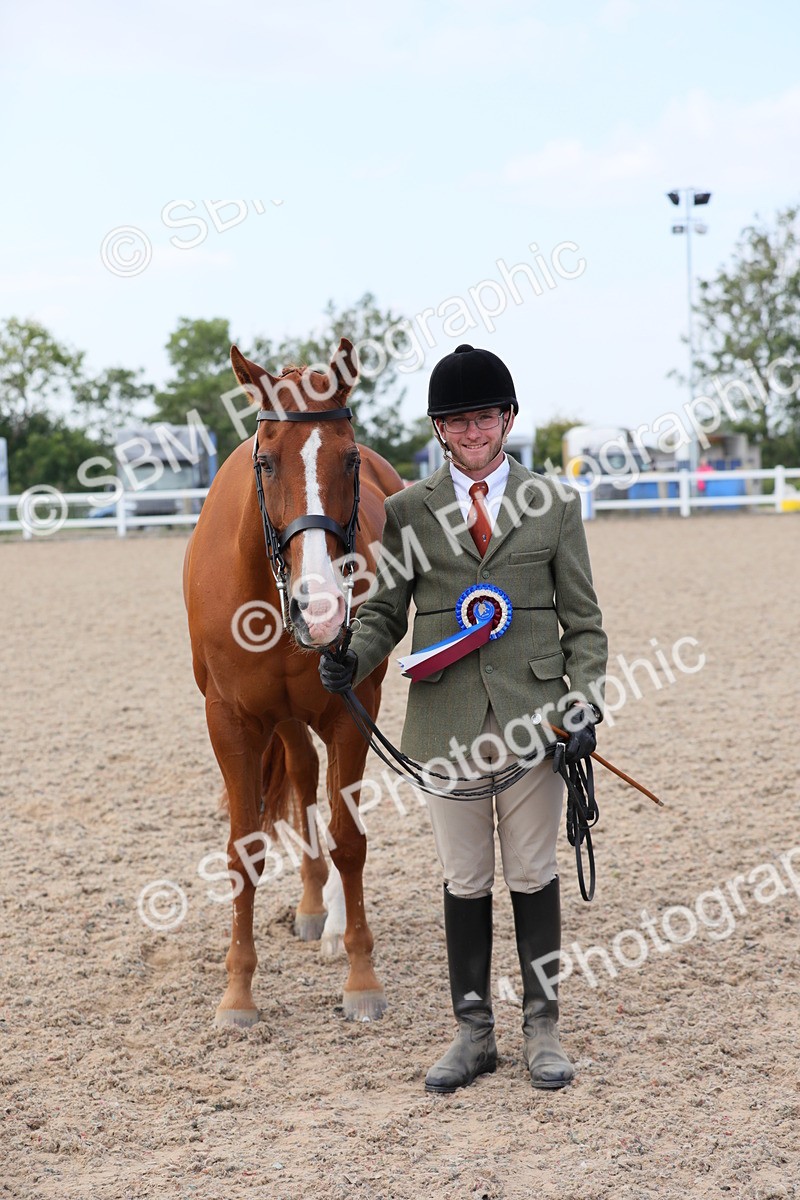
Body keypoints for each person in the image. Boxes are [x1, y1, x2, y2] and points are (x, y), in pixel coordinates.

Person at [318, 344, 608, 1094]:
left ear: (507, 419)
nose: (472, 431)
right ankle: (473, 1031)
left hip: (534, 721)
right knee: (465, 877)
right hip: (445, 721)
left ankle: (541, 1026)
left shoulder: (553, 504)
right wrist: (353, 654)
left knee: (534, 871)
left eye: (484, 417)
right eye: (457, 421)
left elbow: (584, 623)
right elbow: (385, 612)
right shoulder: (407, 512)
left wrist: (583, 703)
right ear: (439, 429)